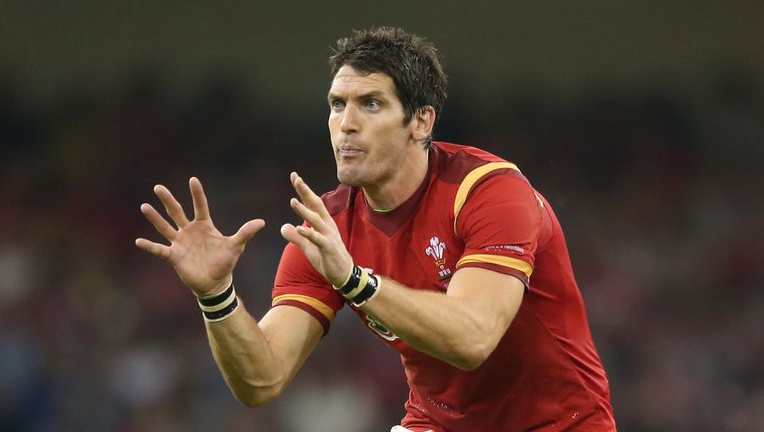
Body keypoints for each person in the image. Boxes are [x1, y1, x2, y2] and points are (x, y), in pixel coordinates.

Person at [136, 26, 616, 431]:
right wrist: (217, 296)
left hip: (560, 424)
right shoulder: (327, 228)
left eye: (370, 104)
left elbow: (472, 338)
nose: (346, 124)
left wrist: (353, 280)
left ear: (420, 121)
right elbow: (262, 380)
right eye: (336, 103)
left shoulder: (489, 192)